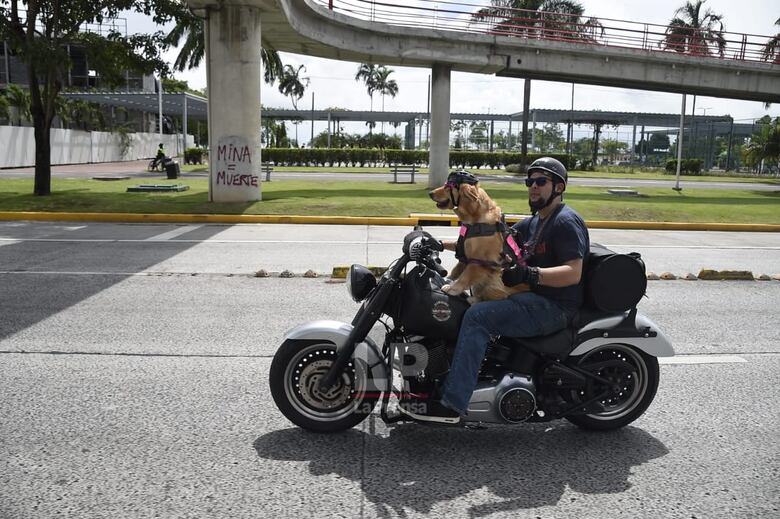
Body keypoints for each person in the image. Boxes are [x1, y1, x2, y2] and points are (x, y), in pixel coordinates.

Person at [410, 157, 590, 424]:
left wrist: (530, 274)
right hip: (527, 296)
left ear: (559, 187)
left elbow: (573, 273)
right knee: (460, 308)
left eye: (541, 182)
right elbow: (489, 243)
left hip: (553, 305)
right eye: (530, 181)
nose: (533, 187)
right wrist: (436, 243)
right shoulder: (535, 222)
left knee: (478, 317)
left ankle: (453, 402)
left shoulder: (565, 222)